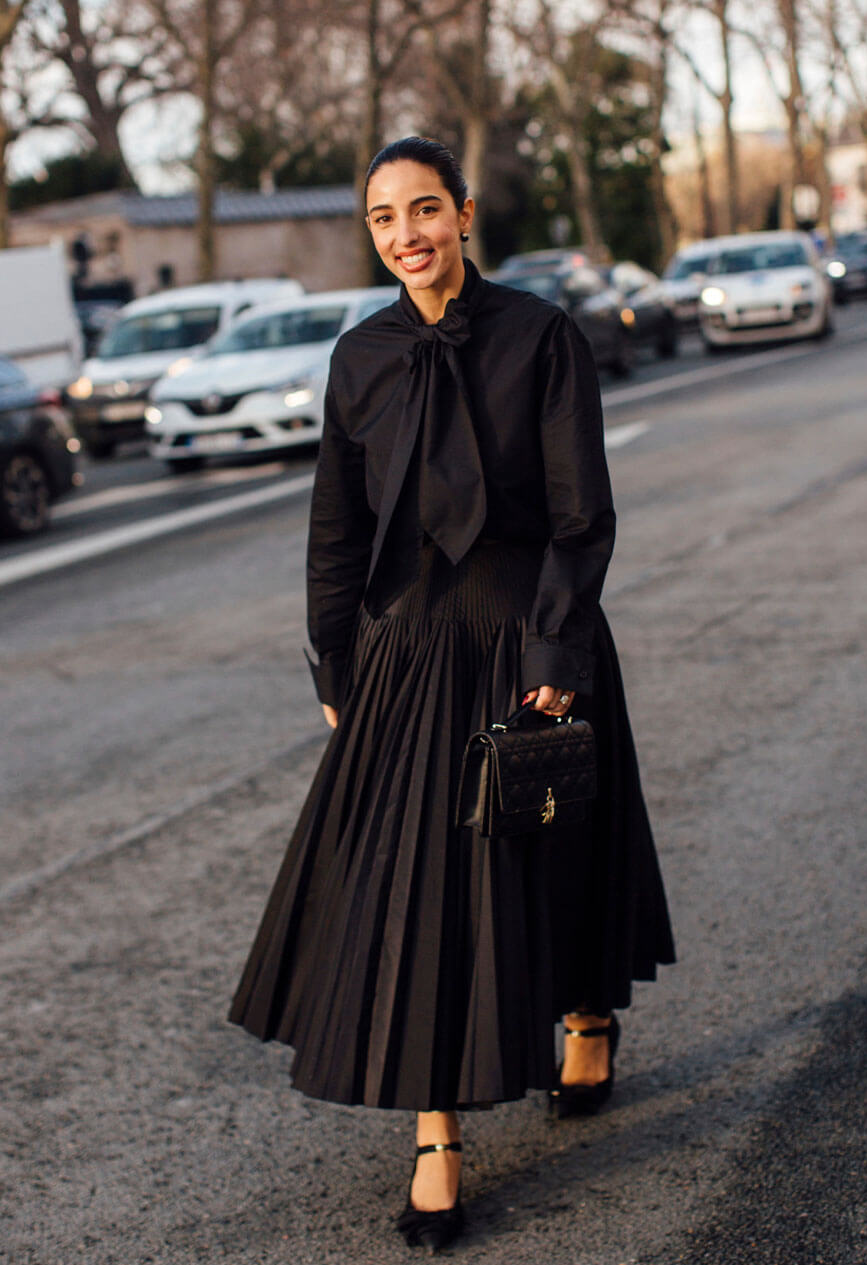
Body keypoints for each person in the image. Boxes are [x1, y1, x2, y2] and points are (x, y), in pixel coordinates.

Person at [229, 136, 675, 1254]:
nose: (407, 235)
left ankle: (584, 1010)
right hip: (408, 654)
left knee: (550, 851)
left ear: (465, 215)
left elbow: (583, 515)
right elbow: (335, 526)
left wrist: (556, 656)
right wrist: (333, 659)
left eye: (426, 210)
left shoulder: (543, 337)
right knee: (416, 890)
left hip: (533, 629)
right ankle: (438, 1135)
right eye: (385, 220)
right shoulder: (360, 358)